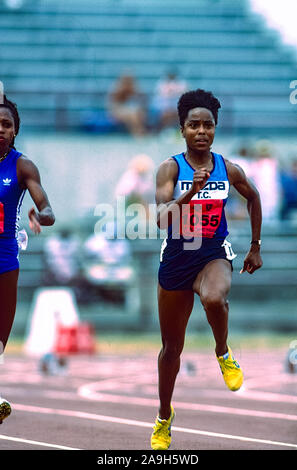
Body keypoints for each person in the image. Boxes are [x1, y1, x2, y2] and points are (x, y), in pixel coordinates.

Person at [151, 89, 263, 450]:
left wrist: (255, 246)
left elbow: (254, 197)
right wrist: (188, 194)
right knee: (171, 350)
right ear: (181, 129)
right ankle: (164, 417)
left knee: (215, 299)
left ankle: (223, 352)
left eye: (208, 125)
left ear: (215, 128)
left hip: (213, 251)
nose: (201, 131)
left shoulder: (227, 168)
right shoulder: (170, 168)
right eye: (193, 125)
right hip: (177, 257)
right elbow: (159, 219)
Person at [0, 95, 55, 423]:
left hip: (5, 260)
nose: (0, 130)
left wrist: (41, 215)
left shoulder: (22, 166)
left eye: (6, 125)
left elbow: (47, 208)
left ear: (15, 131)